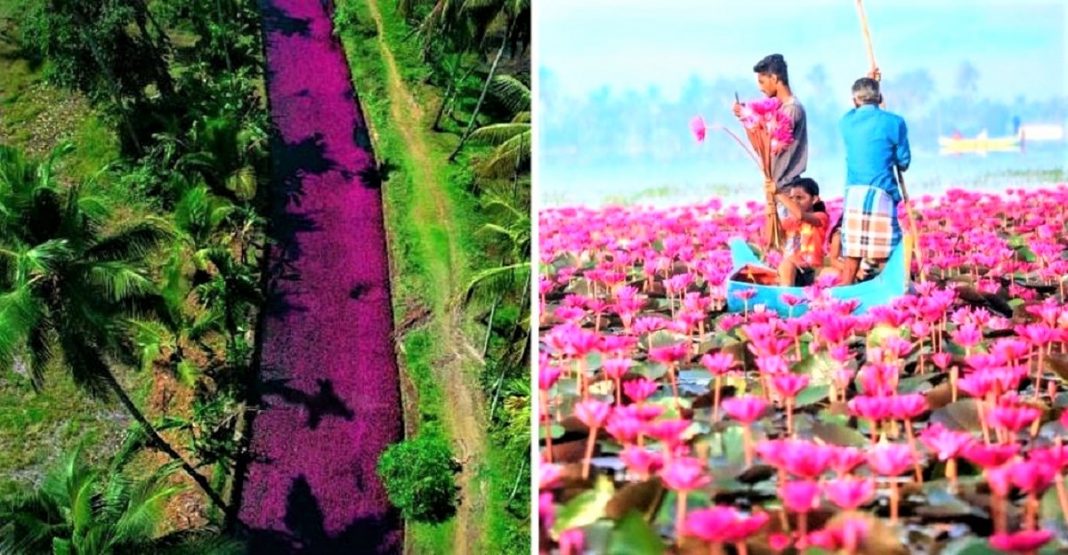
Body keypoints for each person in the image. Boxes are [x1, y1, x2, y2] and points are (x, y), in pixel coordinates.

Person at [838, 76, 910, 285]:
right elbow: (903, 162)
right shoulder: (895, 122)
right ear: (880, 98)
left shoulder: (846, 122)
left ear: (854, 101)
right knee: (888, 251)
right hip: (882, 192)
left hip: (854, 193)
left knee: (853, 253)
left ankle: (846, 288)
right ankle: (895, 285)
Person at [733, 54, 808, 190]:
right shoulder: (778, 108)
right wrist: (746, 116)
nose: (760, 88)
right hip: (776, 187)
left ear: (774, 78)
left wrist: (749, 117)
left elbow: (770, 144)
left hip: (787, 189)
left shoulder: (791, 109)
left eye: (762, 82)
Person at [775, 177, 828, 286]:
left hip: (814, 270)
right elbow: (773, 232)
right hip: (795, 269)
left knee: (833, 274)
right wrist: (770, 207)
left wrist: (778, 194)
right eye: (791, 198)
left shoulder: (820, 217)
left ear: (814, 199)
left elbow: (800, 215)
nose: (794, 201)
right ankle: (787, 299)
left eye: (799, 198)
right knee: (786, 266)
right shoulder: (791, 221)